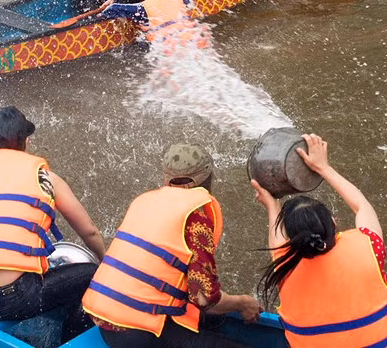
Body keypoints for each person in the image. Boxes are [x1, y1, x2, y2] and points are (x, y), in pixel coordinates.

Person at [0, 107, 106, 340]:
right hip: (14, 300)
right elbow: (89, 232)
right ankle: (68, 338)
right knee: (91, 273)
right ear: (25, 142)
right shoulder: (44, 177)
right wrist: (106, 264)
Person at [82, 143, 262, 347]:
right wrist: (243, 303)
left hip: (104, 320)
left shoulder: (144, 202)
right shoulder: (196, 216)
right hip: (139, 333)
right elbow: (203, 298)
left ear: (165, 179)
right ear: (207, 178)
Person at [253, 134, 387, 348]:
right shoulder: (370, 245)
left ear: (291, 239)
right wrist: (323, 168)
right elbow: (361, 206)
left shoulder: (283, 265)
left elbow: (277, 243)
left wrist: (273, 207)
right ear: (333, 223)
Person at [97, 0, 207, 51]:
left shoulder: (145, 6)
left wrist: (101, 15)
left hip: (167, 48)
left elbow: (114, 7)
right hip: (193, 41)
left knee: (140, 44)